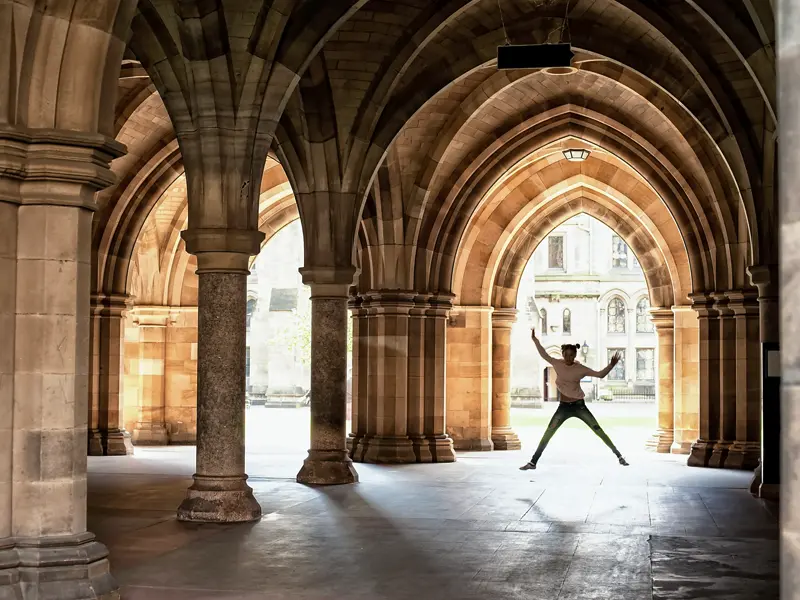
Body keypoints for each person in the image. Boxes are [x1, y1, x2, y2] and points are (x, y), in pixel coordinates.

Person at [520, 329, 629, 470]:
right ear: (563, 354)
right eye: (566, 355)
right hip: (563, 407)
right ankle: (533, 462)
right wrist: (535, 340)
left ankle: (619, 456)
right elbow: (544, 354)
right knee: (548, 432)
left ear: (575, 355)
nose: (569, 358)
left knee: (598, 430)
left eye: (572, 355)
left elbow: (600, 374)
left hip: (579, 406)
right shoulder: (557, 363)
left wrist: (611, 365)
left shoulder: (580, 369)